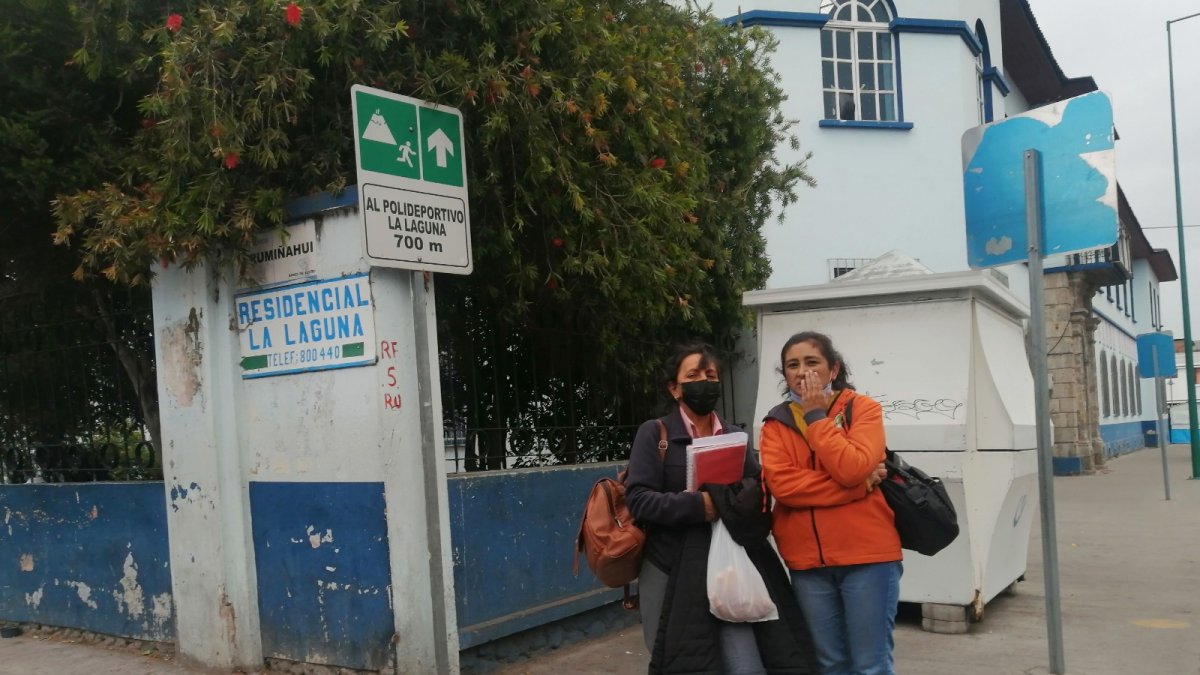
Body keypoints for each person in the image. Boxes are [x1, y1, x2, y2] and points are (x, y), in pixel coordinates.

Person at [626, 342, 818, 675]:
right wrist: (699, 505)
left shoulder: (734, 436)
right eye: (693, 375)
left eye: (710, 375)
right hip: (668, 564)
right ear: (675, 388)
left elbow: (757, 494)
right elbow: (640, 499)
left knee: (745, 663)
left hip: (728, 566)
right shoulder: (655, 434)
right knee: (676, 659)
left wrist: (740, 500)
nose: (704, 381)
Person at [759, 331, 900, 675]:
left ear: (833, 369)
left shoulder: (862, 409)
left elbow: (851, 467)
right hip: (808, 566)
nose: (802, 371)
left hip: (867, 558)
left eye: (812, 362)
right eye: (792, 365)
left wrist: (817, 418)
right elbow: (785, 487)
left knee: (871, 664)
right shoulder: (775, 423)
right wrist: (857, 487)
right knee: (829, 664)